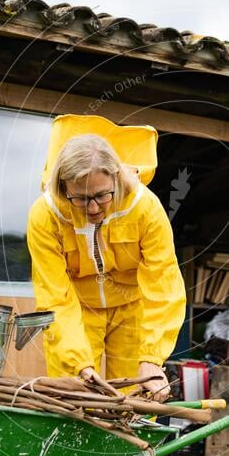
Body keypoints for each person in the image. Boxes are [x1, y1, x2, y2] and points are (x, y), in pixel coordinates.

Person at [27, 114, 186, 401]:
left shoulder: (146, 208)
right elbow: (55, 296)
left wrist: (152, 356)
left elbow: (163, 284)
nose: (92, 208)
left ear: (116, 177)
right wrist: (79, 362)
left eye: (101, 195)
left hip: (131, 310)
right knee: (74, 396)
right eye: (80, 198)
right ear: (63, 187)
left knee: (133, 400)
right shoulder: (45, 216)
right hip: (77, 310)